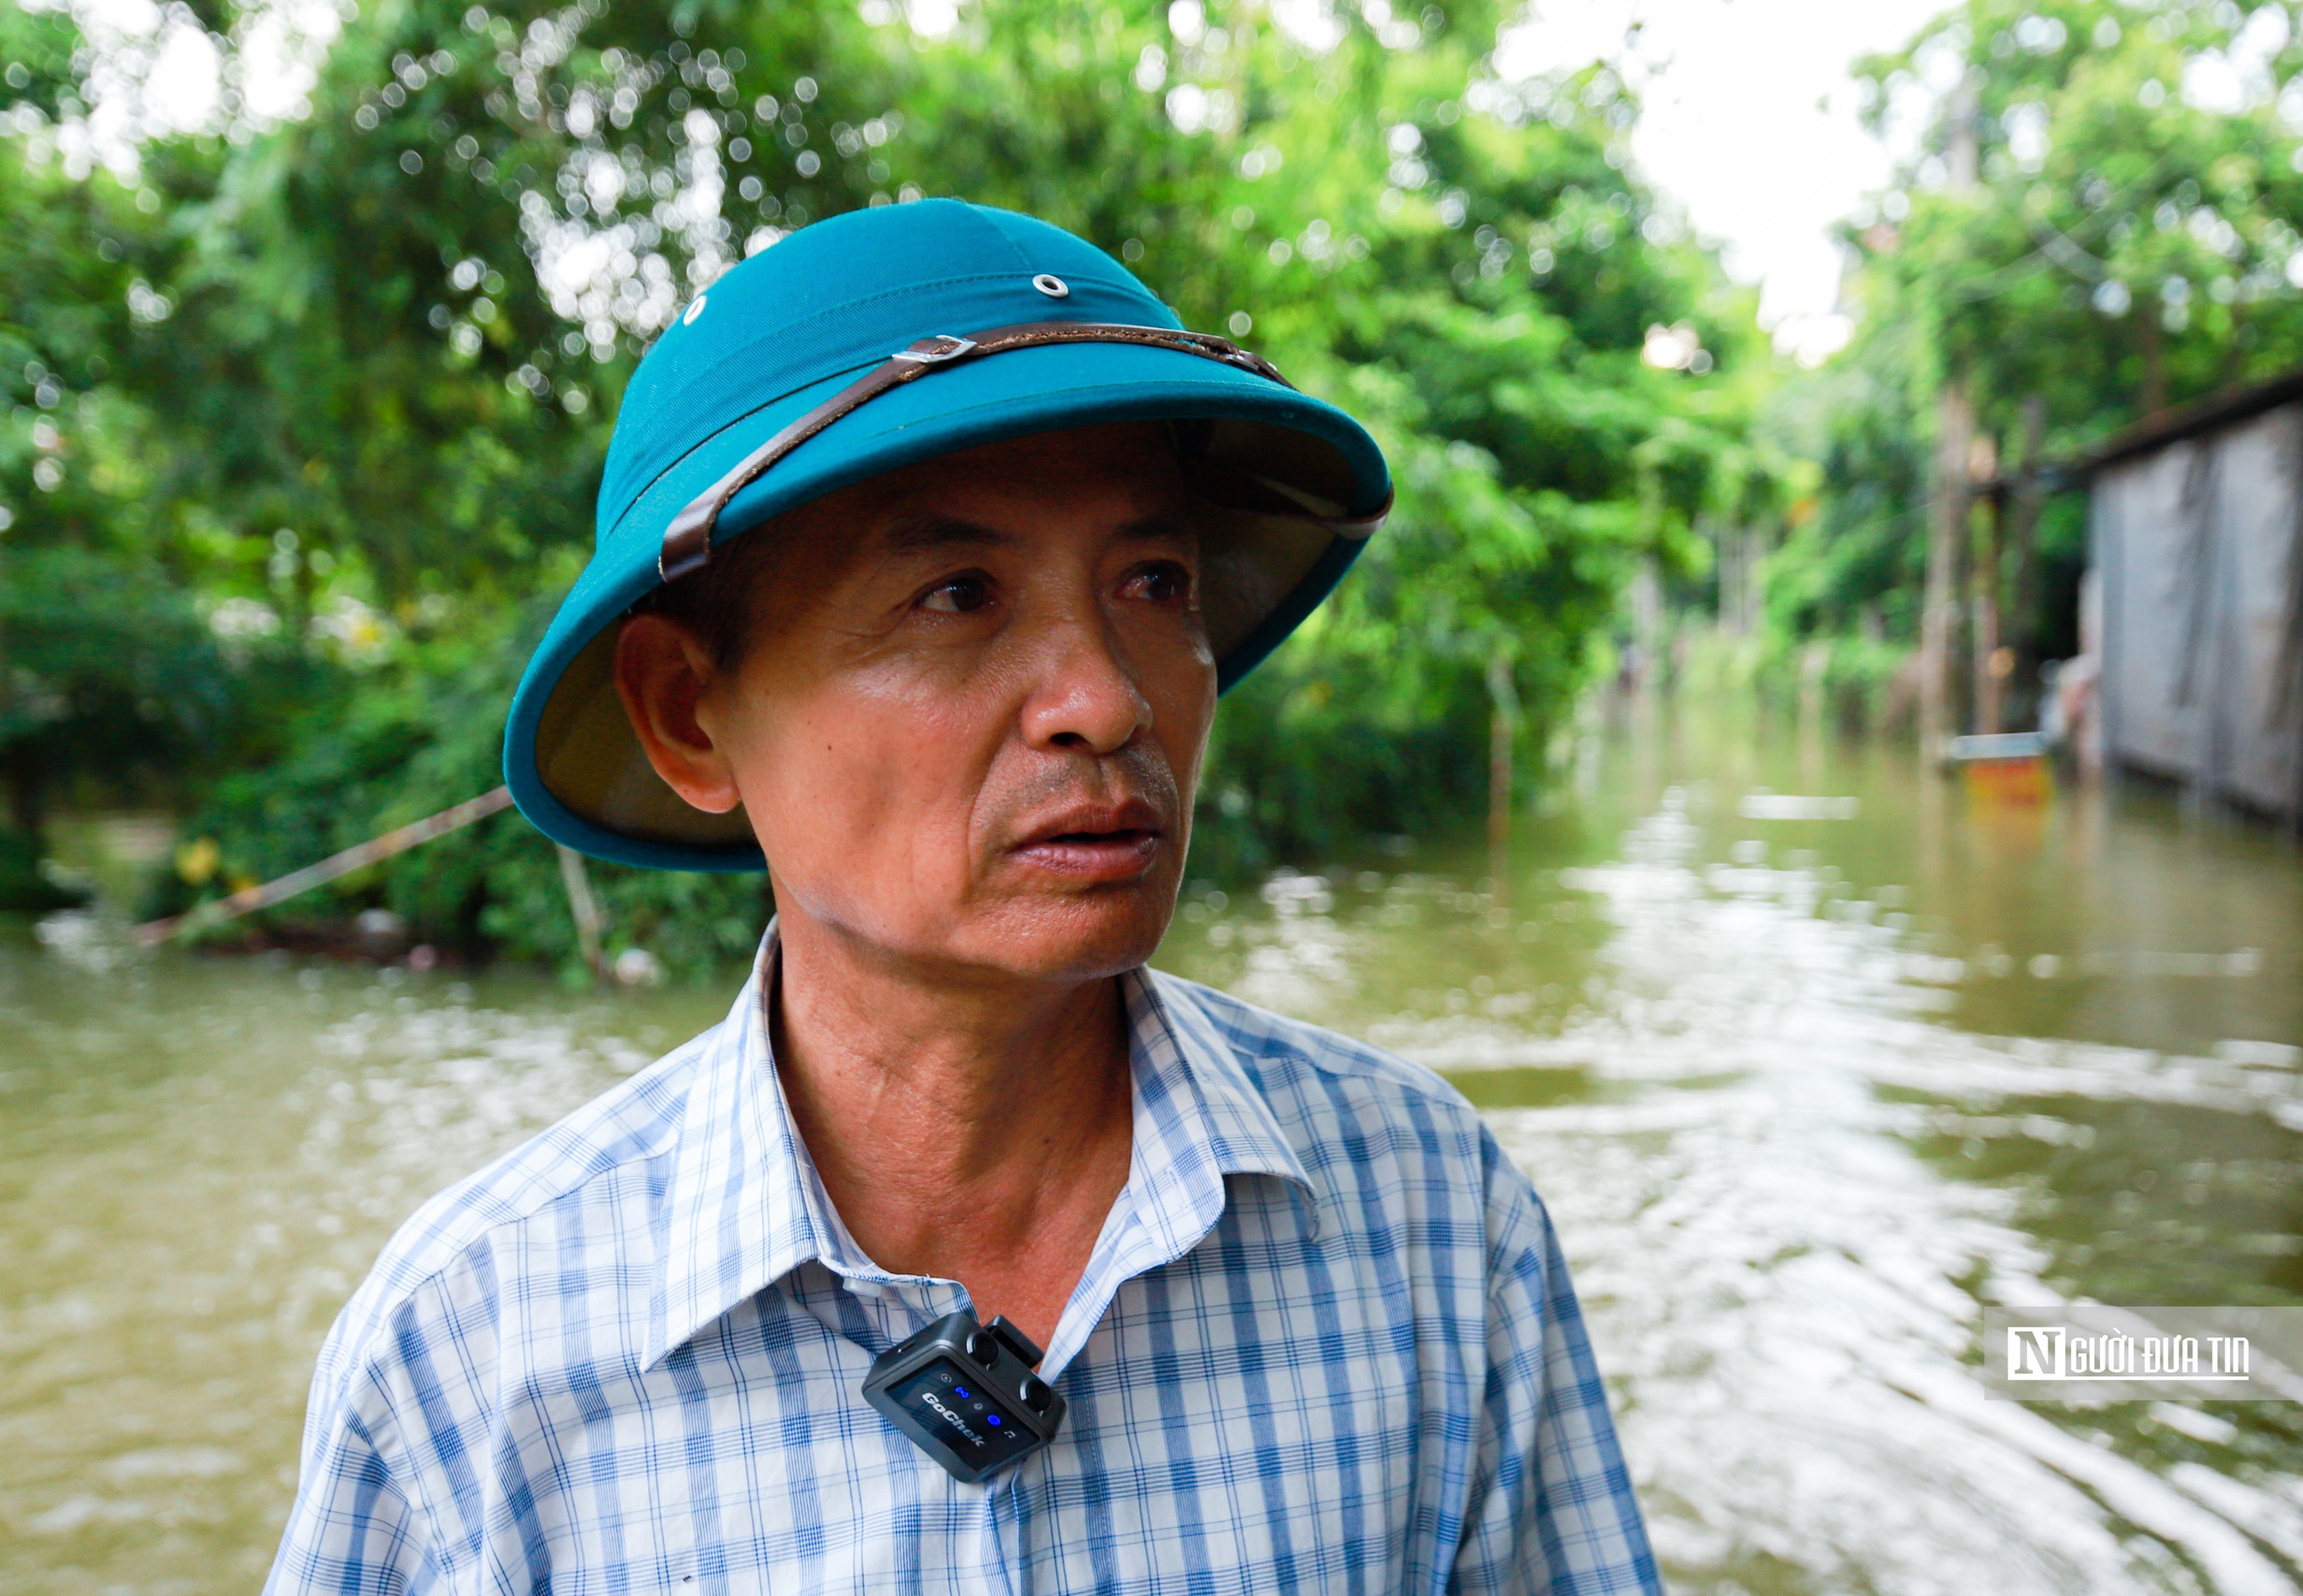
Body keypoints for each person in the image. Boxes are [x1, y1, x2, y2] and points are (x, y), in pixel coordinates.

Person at [265, 199, 1659, 1594]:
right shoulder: (468, 1358)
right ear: (691, 715)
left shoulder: (1432, 1220)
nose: (1108, 702)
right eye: (956, 594)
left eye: (1154, 582)